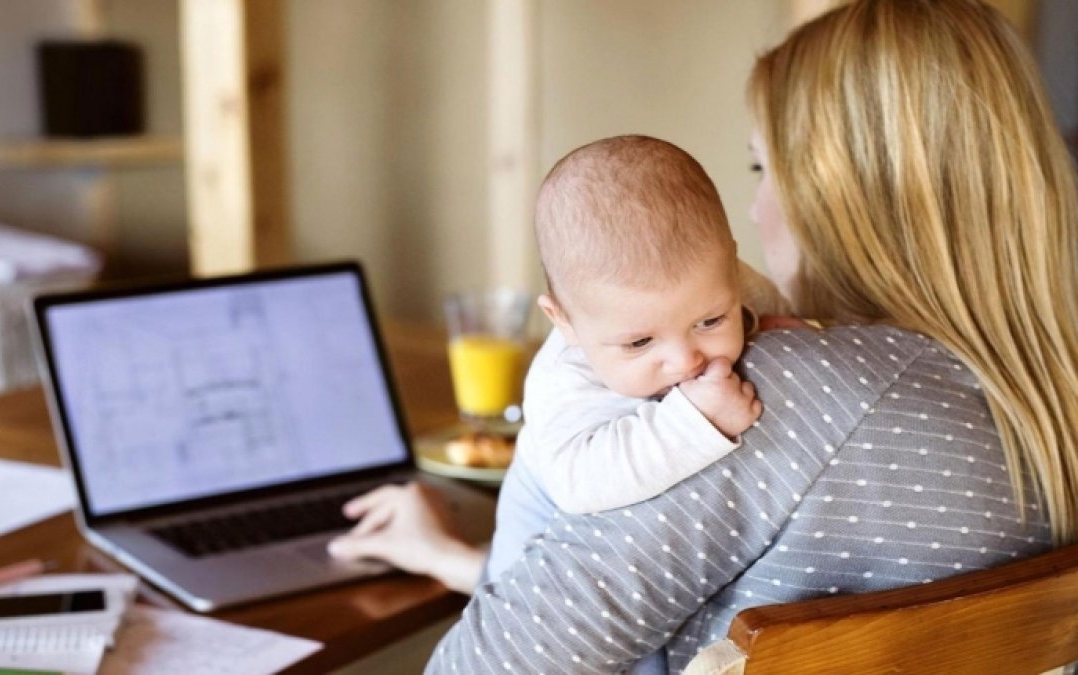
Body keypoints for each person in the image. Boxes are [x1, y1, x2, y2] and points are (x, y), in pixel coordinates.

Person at [341, 0, 1078, 671]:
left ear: (841, 195)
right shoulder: (1041, 399)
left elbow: (485, 666)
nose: (754, 211)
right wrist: (457, 559)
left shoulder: (782, 395)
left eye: (763, 167)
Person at [522, 135, 790, 516]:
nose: (685, 361)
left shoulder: (716, 280)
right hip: (538, 527)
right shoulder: (565, 378)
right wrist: (697, 420)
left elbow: (778, 309)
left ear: (732, 265)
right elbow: (577, 485)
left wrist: (794, 327)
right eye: (640, 343)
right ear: (562, 320)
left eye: (710, 321)